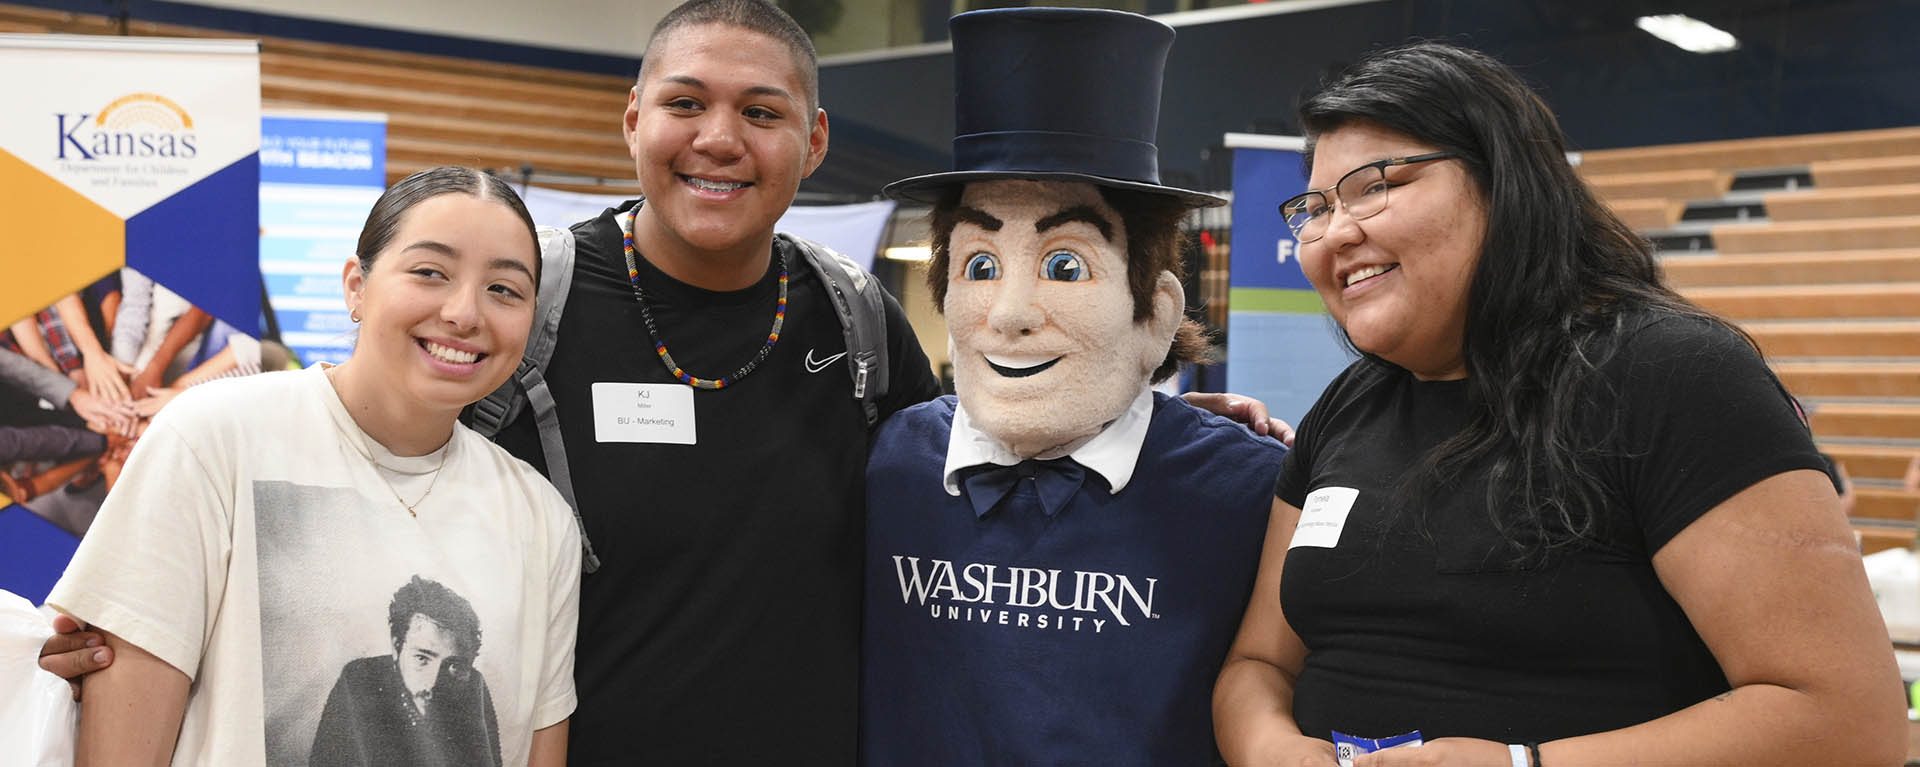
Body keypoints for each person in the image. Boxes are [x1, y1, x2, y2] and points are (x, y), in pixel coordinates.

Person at [38, 2, 1285, 761]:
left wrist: (1161, 417)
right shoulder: (545, 298)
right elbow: (368, 455)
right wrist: (164, 611)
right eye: (685, 101)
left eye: (761, 109)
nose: (719, 137)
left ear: (815, 139)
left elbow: (993, 437)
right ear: (632, 117)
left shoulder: (855, 322)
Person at [1211, 42, 1906, 766]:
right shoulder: (1347, 406)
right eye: (1316, 207)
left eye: (1374, 185)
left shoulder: (1675, 373)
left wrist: (1523, 763)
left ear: (1503, 181)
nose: (1336, 232)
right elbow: (1260, 664)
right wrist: (1270, 748)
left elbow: (1847, 722)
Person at [43, 166, 579, 766]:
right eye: (430, 272)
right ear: (356, 286)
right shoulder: (211, 437)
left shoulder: (540, 517)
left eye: (504, 289)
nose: (464, 312)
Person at [859, 9, 1283, 765]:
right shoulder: (886, 464)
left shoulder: (1248, 494)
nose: (1011, 314)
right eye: (980, 266)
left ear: (1155, 311)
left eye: (1065, 264)